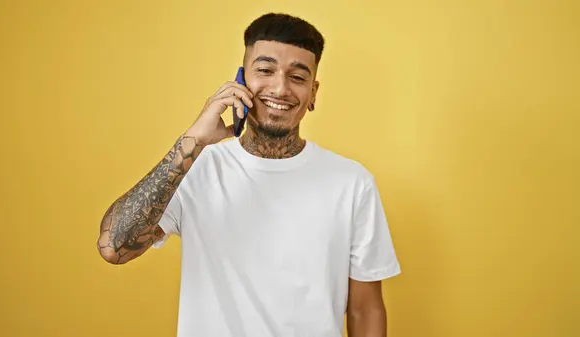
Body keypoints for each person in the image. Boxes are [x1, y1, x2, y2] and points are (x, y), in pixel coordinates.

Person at [97, 12, 401, 337]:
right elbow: (114, 247)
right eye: (265, 71)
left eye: (297, 77)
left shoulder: (352, 184)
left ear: (313, 93)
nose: (281, 88)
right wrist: (193, 141)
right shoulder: (196, 168)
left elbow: (364, 308)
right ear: (240, 80)